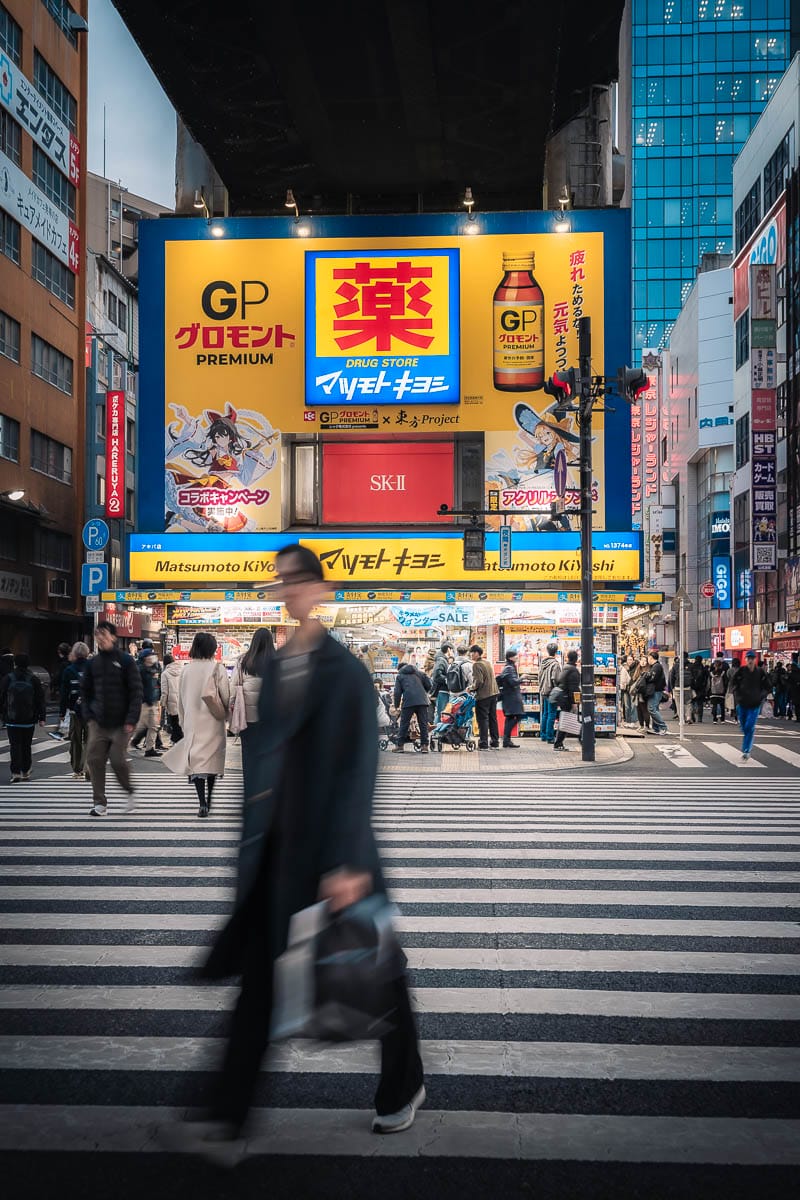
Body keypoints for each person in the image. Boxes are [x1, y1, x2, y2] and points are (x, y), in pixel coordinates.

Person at [166, 543, 424, 1159]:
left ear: (320, 588)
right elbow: (265, 759)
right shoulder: (279, 666)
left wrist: (349, 863)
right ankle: (229, 1113)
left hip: (336, 852)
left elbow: (359, 772)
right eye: (280, 582)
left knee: (376, 972)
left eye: (297, 581)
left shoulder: (348, 673)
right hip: (281, 849)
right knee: (261, 978)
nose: (287, 592)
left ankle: (403, 1081)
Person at [162, 632, 230, 818]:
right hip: (214, 722)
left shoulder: (186, 670)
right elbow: (226, 696)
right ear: (212, 648)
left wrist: (184, 721)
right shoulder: (218, 669)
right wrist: (227, 716)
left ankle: (202, 803)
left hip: (193, 721)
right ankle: (209, 797)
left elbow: (182, 699)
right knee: (212, 762)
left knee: (197, 763)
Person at [81, 622, 142, 817]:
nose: (100, 638)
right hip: (98, 721)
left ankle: (129, 790)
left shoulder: (125, 661)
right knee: (94, 759)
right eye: (97, 635)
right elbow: (85, 691)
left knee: (117, 759)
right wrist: (89, 715)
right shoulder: (93, 663)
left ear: (114, 637)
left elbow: (136, 691)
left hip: (122, 722)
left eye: (104, 635)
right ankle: (100, 803)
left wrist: (132, 718)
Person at [232, 628, 276, 793]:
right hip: (270, 718)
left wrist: (231, 708)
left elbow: (234, 687)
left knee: (248, 755)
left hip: (247, 717)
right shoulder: (277, 660)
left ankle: (250, 789)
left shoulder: (243, 660)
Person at [0, 653, 46, 781]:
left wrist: (3, 715)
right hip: (29, 719)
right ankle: (26, 771)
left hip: (12, 719)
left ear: (15, 664)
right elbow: (40, 699)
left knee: (14, 745)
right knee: (26, 745)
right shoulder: (33, 679)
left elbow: (2, 697)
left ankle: (15, 773)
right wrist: (42, 717)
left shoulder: (8, 678)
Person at [731, 650, 770, 762]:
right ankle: (746, 748)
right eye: (749, 658)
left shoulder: (760, 672)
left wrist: (761, 696)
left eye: (752, 658)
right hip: (742, 703)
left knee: (749, 727)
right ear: (745, 659)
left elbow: (768, 686)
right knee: (744, 727)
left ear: (755, 660)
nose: (750, 660)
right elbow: (733, 683)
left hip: (754, 704)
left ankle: (746, 750)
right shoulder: (741, 671)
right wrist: (736, 693)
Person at [60, 641, 91, 779]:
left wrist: (62, 712)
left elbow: (64, 693)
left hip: (74, 710)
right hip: (91, 711)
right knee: (90, 739)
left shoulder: (69, 670)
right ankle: (89, 767)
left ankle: (78, 769)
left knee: (76, 740)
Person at [392, 657, 432, 753]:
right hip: (422, 701)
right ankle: (424, 746)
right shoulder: (420, 673)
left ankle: (400, 746)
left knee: (404, 723)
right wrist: (423, 693)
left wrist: (397, 705)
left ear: (400, 669)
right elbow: (429, 685)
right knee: (423, 724)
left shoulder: (400, 676)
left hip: (408, 702)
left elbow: (397, 692)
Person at [130, 648, 163, 757]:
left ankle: (150, 748)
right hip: (143, 702)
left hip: (152, 701)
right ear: (145, 658)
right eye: (151, 655)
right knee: (142, 726)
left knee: (154, 726)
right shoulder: (140, 670)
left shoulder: (154, 669)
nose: (153, 658)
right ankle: (132, 741)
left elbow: (156, 684)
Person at [469, 645, 499, 750]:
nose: (471, 655)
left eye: (472, 653)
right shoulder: (487, 662)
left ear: (477, 653)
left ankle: (483, 743)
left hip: (483, 696)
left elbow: (479, 681)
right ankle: (495, 742)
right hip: (493, 694)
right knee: (493, 719)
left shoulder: (477, 665)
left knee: (483, 719)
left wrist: (471, 688)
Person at [552, 648, 580, 751]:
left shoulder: (565, 668)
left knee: (565, 720)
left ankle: (558, 743)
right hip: (568, 699)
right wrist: (575, 702)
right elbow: (574, 688)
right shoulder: (573, 670)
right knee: (567, 721)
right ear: (576, 659)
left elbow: (558, 681)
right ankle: (558, 743)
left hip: (563, 698)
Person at [497, 648, 523, 747]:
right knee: (516, 716)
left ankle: (506, 740)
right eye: (515, 655)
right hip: (511, 698)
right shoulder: (509, 668)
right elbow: (513, 682)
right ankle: (506, 739)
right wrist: (522, 678)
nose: (517, 657)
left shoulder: (509, 667)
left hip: (509, 697)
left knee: (510, 717)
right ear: (511, 657)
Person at [538, 642, 561, 743]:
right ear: (556, 652)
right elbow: (556, 679)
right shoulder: (555, 664)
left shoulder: (543, 663)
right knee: (552, 714)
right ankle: (550, 737)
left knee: (545, 713)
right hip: (551, 691)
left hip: (543, 691)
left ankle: (543, 735)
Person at [642, 650, 668, 735]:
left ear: (651, 658)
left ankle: (663, 727)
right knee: (654, 708)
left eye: (648, 658)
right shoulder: (655, 666)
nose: (647, 660)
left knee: (651, 708)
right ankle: (656, 728)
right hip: (656, 691)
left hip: (656, 691)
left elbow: (652, 678)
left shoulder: (656, 667)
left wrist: (647, 676)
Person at [160, 655, 184, 744]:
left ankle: (179, 741)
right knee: (179, 722)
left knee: (174, 723)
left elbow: (164, 691)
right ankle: (175, 739)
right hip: (181, 701)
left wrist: (162, 703)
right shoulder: (181, 670)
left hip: (171, 702)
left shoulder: (165, 674)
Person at [429, 641, 454, 721]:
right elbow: (437, 675)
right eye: (452, 650)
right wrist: (447, 680)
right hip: (441, 690)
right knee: (442, 713)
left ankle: (438, 730)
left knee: (442, 713)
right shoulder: (441, 660)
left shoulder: (442, 659)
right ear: (449, 649)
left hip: (442, 690)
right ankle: (437, 731)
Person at [669, 654, 693, 724]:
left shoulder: (675, 665)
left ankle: (681, 720)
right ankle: (688, 716)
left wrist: (672, 687)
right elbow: (694, 676)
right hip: (687, 687)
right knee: (688, 702)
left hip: (677, 687)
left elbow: (672, 677)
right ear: (687, 657)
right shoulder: (690, 665)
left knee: (679, 704)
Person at [630, 655, 651, 731]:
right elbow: (634, 679)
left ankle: (647, 726)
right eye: (642, 660)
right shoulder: (638, 669)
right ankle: (641, 725)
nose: (643, 662)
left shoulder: (648, 670)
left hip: (644, 693)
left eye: (645, 660)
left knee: (644, 709)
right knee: (638, 709)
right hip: (637, 693)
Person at [708, 657, 728, 723]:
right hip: (721, 692)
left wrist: (708, 690)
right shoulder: (723, 673)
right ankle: (722, 719)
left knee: (714, 705)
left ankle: (714, 719)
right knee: (722, 706)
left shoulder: (711, 673)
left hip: (713, 691)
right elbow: (726, 682)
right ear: (721, 665)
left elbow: (709, 683)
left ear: (714, 665)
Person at [690, 655, 709, 723]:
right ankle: (700, 718)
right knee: (700, 703)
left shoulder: (691, 667)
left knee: (691, 702)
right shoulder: (703, 668)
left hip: (692, 687)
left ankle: (692, 716)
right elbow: (707, 679)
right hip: (701, 688)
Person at [618, 654, 632, 727]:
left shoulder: (622, 669)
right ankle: (625, 720)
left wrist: (622, 686)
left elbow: (625, 680)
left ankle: (627, 720)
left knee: (625, 705)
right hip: (623, 688)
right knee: (624, 705)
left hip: (623, 689)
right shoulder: (623, 668)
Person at [786, 653, 800, 723]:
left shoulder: (792, 674)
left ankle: (797, 717)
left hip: (794, 691)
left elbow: (788, 680)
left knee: (796, 705)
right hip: (797, 690)